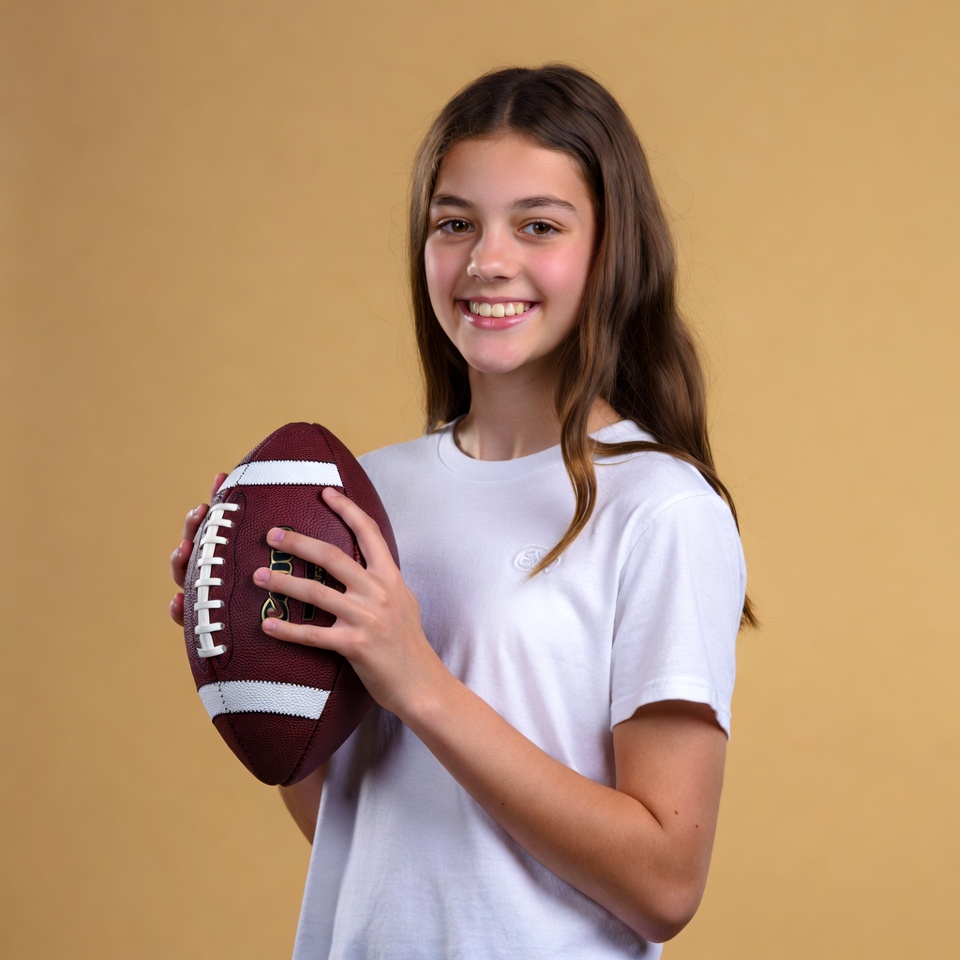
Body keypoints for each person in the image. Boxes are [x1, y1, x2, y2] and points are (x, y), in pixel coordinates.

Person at [170, 64, 754, 959]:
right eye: (455, 223)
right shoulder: (363, 496)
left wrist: (421, 682)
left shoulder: (662, 509)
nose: (487, 260)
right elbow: (366, 834)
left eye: (538, 225)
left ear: (613, 250)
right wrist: (251, 665)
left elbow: (665, 884)